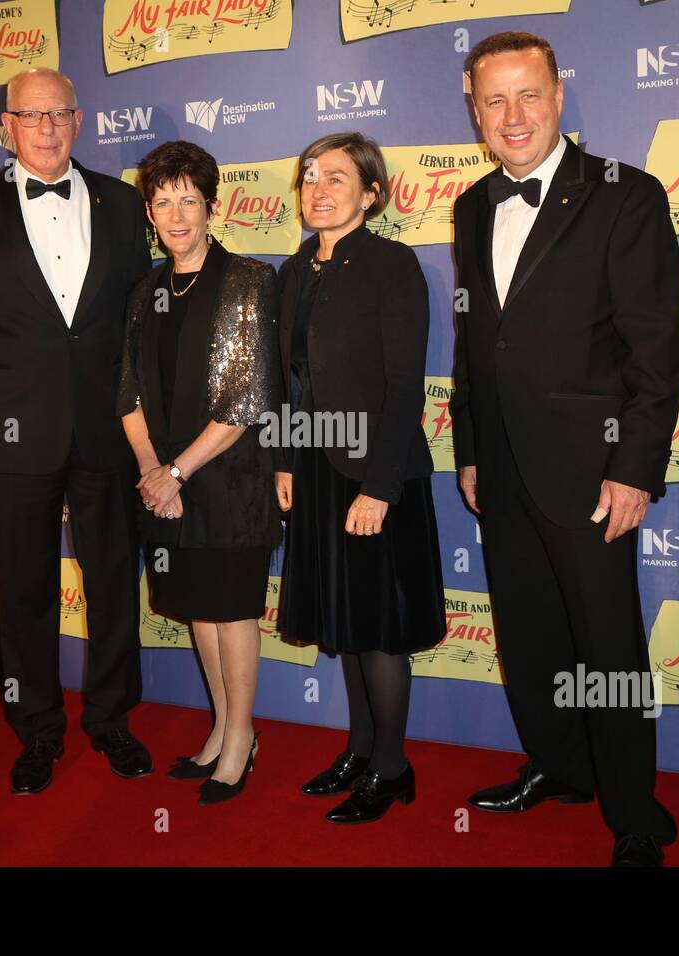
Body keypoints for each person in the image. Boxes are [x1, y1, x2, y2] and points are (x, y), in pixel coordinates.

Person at [450, 32, 679, 865]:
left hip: (592, 469)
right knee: (531, 637)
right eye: (494, 100)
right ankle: (559, 767)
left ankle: (633, 813)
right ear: (475, 111)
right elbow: (474, 340)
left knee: (608, 646)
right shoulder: (472, 205)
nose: (513, 115)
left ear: (558, 95)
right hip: (503, 466)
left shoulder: (626, 195)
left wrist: (635, 468)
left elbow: (657, 350)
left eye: (529, 94)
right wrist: (470, 449)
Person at [0, 67, 153, 795]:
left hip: (108, 434)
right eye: (31, 115)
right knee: (24, 594)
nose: (47, 128)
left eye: (59, 113)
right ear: (7, 127)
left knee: (114, 585)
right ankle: (37, 732)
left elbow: (140, 333)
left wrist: (150, 440)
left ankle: (112, 720)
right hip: (10, 438)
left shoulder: (124, 204)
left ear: (79, 120)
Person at [275, 132, 445, 824]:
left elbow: (405, 387)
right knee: (343, 621)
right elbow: (289, 382)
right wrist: (286, 459)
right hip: (318, 469)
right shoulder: (294, 271)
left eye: (337, 179)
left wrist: (379, 487)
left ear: (371, 194)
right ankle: (360, 749)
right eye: (311, 178)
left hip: (377, 472)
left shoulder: (391, 265)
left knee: (378, 627)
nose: (319, 191)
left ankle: (392, 766)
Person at [117, 141, 282, 805]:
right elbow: (126, 389)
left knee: (231, 609)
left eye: (189, 200)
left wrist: (178, 472)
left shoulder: (248, 279)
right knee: (199, 613)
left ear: (213, 206)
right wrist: (152, 471)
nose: (177, 216)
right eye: (163, 203)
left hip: (229, 478)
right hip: (166, 484)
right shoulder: (145, 292)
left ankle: (242, 736)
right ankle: (220, 727)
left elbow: (248, 396)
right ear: (149, 213)